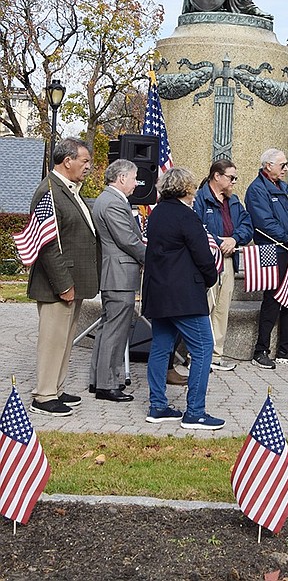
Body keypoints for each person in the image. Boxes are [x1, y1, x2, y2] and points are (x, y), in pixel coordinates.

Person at [142, 167, 224, 430]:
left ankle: (157, 406)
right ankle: (195, 412)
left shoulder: (156, 215)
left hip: (158, 292)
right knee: (202, 348)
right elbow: (203, 256)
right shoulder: (187, 217)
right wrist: (210, 279)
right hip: (185, 295)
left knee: (160, 348)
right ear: (188, 189)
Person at [27, 137, 99, 417]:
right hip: (58, 284)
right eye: (85, 161)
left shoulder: (69, 190)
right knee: (52, 339)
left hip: (73, 281)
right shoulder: (48, 191)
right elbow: (45, 244)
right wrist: (63, 284)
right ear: (67, 161)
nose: (89, 167)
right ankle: (43, 396)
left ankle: (56, 388)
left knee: (65, 339)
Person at [88, 159, 146, 402]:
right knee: (115, 330)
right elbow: (127, 240)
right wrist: (151, 258)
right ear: (121, 178)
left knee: (106, 328)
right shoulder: (112, 202)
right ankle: (107, 385)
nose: (136, 184)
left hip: (117, 273)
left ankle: (98, 379)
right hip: (119, 274)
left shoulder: (110, 200)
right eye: (134, 178)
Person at [245, 148, 288, 369]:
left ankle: (287, 349)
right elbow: (264, 221)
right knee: (272, 300)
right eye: (282, 165)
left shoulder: (285, 188)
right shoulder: (256, 189)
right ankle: (261, 350)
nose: (285, 168)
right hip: (274, 250)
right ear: (268, 166)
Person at [194, 158, 253, 372]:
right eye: (231, 177)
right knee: (204, 307)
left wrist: (234, 239)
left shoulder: (234, 201)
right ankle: (198, 354)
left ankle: (215, 355)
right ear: (216, 176)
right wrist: (220, 242)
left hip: (229, 260)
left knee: (221, 309)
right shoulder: (200, 199)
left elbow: (248, 226)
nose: (234, 182)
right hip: (207, 261)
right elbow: (196, 229)